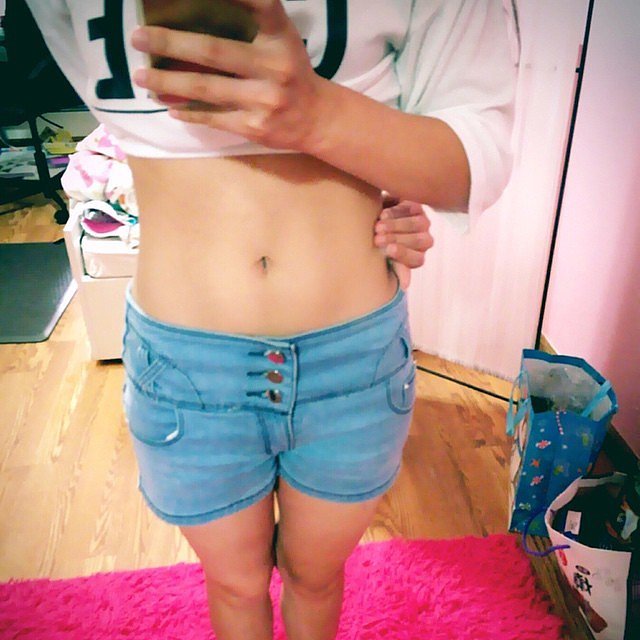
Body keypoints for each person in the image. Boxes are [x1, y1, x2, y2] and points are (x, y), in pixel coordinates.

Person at [25, 1, 517, 639]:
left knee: (317, 576)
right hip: (186, 370)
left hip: (352, 362)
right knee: (234, 583)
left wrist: (327, 118)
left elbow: (475, 154)